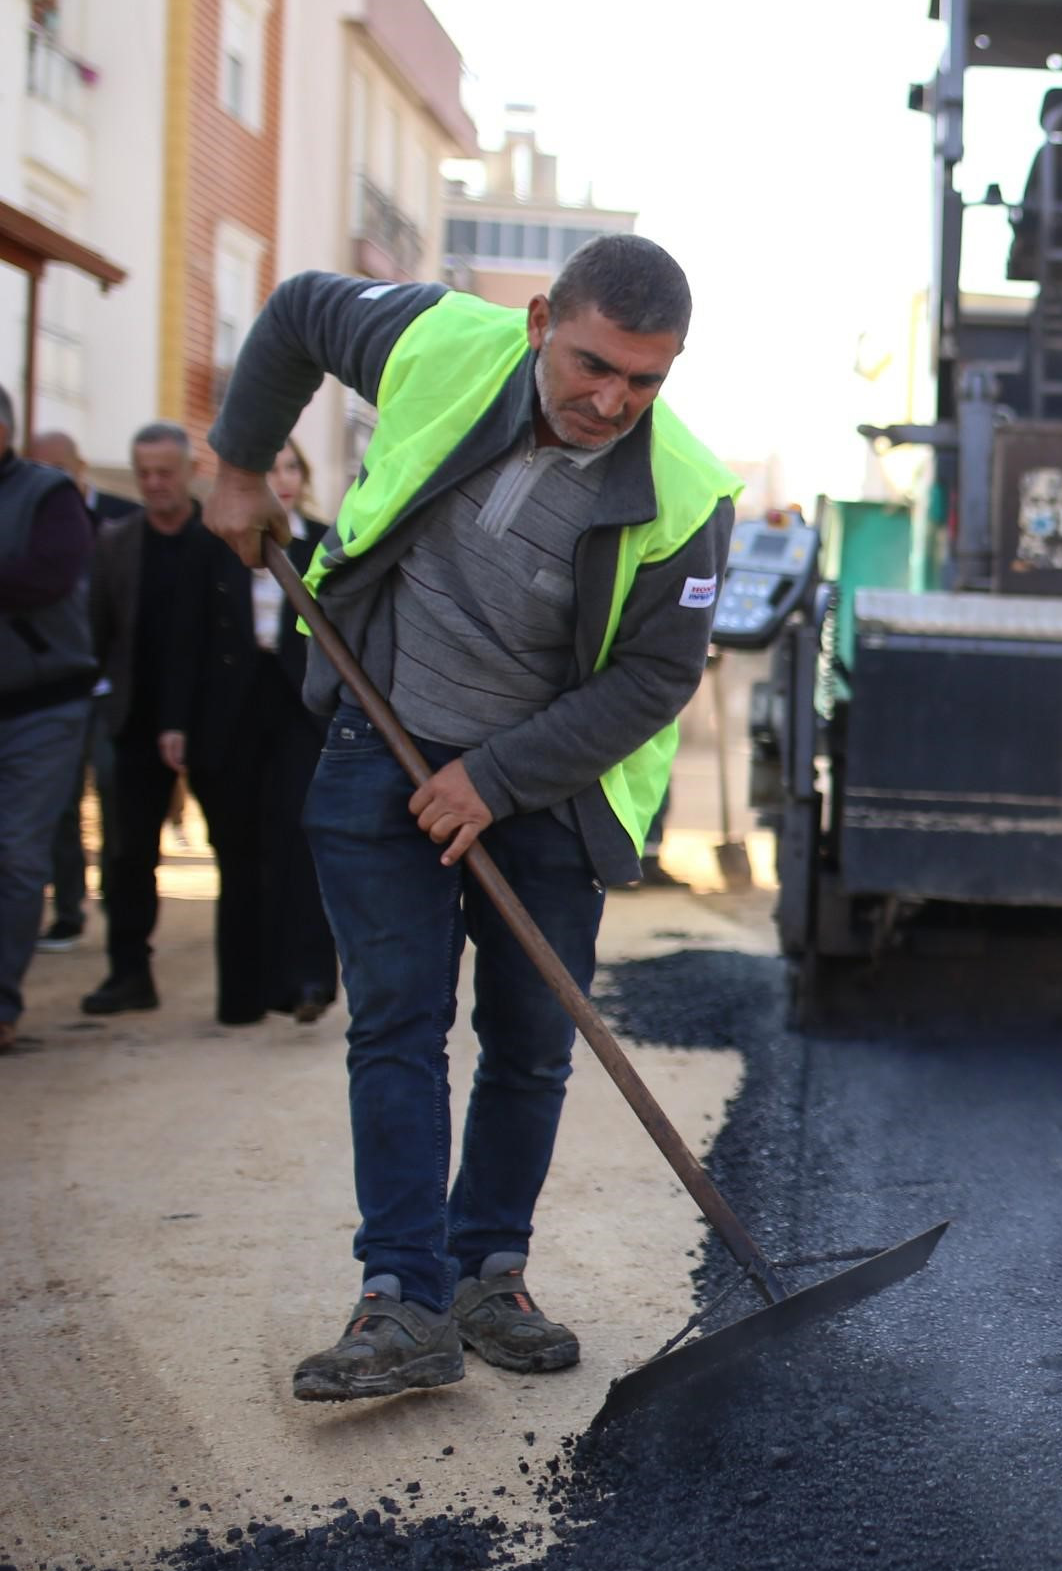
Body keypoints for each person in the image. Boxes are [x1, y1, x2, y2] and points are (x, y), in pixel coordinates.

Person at [201, 238, 735, 1402]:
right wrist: (238, 463)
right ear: (542, 317)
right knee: (396, 1021)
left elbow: (653, 679)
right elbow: (296, 313)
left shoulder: (689, 492)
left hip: (549, 785)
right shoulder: (438, 340)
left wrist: (493, 777)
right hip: (378, 740)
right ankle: (403, 1298)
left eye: (647, 379)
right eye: (594, 364)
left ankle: (490, 1270)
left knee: (533, 1039)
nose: (613, 401)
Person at [82, 423, 238, 1019]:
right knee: (126, 856)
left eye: (164, 473)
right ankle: (129, 974)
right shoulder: (116, 543)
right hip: (133, 721)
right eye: (144, 473)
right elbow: (98, 630)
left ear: (187, 471)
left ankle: (244, 988)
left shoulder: (217, 538)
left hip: (214, 723)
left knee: (236, 848)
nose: (153, 485)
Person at [216, 442, 340, 1020]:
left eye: (291, 466)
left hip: (305, 706)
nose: (280, 480)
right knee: (240, 846)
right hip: (237, 706)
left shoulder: (326, 540)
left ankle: (311, 981)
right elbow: (189, 635)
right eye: (268, 468)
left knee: (305, 838)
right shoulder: (217, 539)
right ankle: (245, 992)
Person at [0, 389, 98, 1054]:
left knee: (15, 851)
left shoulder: (48, 494)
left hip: (43, 705)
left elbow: (44, 578)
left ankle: (1, 1003)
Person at [30, 430, 132, 953]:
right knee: (62, 803)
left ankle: (119, 903)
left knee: (116, 797)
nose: (48, 478)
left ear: (80, 466)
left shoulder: (121, 517)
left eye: (57, 467)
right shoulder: (29, 519)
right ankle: (68, 910)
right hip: (60, 690)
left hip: (115, 691)